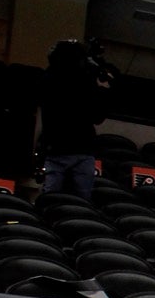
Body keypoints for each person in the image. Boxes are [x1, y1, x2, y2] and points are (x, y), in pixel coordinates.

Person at [38, 38, 111, 200]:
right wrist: (102, 90)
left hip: (56, 147)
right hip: (80, 149)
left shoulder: (48, 78)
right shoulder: (86, 83)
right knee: (80, 200)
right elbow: (98, 116)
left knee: (50, 198)